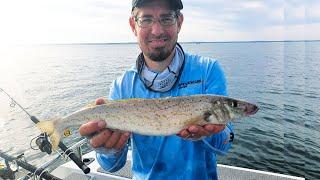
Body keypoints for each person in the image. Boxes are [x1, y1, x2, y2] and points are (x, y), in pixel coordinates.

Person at [79, 0, 234, 179]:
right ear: (133, 25)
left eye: (166, 18)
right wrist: (106, 149)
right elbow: (112, 166)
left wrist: (210, 133)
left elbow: (226, 143)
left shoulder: (208, 70)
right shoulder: (122, 86)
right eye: (146, 20)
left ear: (180, 22)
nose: (157, 30)